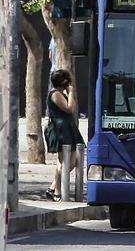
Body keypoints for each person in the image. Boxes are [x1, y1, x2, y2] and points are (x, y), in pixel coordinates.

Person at [45, 69, 85, 202]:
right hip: (60, 130)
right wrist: (72, 92)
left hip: (67, 128)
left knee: (66, 162)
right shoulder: (55, 94)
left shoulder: (60, 93)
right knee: (68, 162)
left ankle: (52, 188)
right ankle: (56, 191)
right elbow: (70, 108)